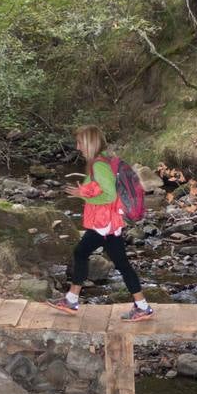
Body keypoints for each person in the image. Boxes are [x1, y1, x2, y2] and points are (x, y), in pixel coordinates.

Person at [48, 126, 154, 321]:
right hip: (111, 223)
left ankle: (72, 299)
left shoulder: (99, 165)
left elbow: (109, 195)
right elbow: (102, 190)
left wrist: (84, 195)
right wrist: (87, 193)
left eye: (80, 142)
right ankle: (142, 306)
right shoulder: (104, 160)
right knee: (122, 263)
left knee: (80, 253)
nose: (78, 147)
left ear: (89, 142)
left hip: (104, 223)